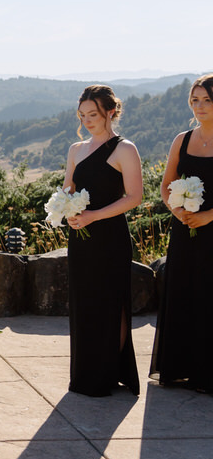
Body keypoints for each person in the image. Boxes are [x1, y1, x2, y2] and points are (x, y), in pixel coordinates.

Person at [63, 84, 143, 397]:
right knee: (84, 304)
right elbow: (68, 189)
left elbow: (134, 197)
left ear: (111, 112)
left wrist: (94, 216)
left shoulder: (125, 149)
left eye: (93, 114)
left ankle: (108, 374)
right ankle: (85, 373)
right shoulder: (75, 150)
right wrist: (66, 208)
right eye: (82, 115)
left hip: (110, 238)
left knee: (111, 305)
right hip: (80, 238)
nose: (87, 121)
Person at [150, 73, 213, 392]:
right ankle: (182, 367)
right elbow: (165, 185)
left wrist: (208, 217)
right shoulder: (182, 140)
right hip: (185, 230)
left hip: (212, 228)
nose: (199, 106)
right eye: (195, 99)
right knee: (185, 293)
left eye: (207, 99)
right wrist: (178, 211)